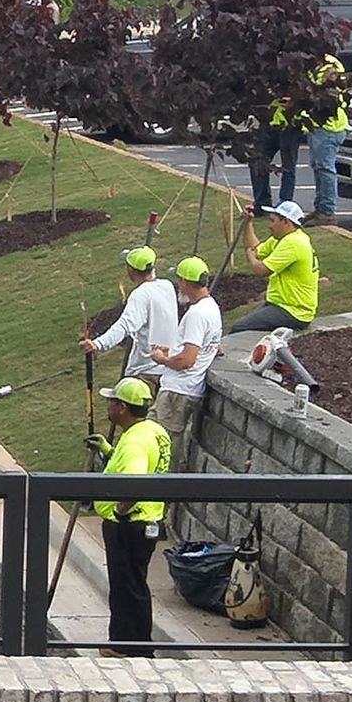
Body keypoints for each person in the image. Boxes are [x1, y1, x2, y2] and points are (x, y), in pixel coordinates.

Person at [86, 377, 172, 659]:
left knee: (126, 587)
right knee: (134, 583)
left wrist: (121, 511)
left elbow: (135, 482)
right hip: (148, 521)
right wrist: (107, 451)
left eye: (112, 401)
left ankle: (127, 646)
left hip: (130, 525)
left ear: (122, 407)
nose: (108, 405)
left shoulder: (134, 441)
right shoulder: (154, 431)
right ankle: (136, 643)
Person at [80, 246, 178, 386]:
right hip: (167, 367)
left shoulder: (141, 294)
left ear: (131, 270)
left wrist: (98, 344)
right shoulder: (166, 286)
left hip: (146, 371)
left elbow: (125, 325)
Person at [149, 256, 222, 443]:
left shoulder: (197, 314)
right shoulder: (211, 307)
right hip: (185, 390)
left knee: (160, 441)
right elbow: (204, 347)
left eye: (179, 280)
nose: (178, 285)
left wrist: (162, 359)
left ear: (185, 282)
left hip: (177, 391)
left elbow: (188, 360)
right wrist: (172, 351)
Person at [231, 200, 319, 333]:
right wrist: (248, 223)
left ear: (286, 222)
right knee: (244, 325)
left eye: (273, 221)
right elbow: (257, 248)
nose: (269, 226)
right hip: (280, 305)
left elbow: (261, 270)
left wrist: (250, 256)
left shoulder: (293, 243)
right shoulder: (284, 238)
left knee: (239, 328)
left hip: (293, 311)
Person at [305, 53, 352, 226]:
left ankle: (326, 211)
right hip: (318, 125)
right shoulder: (314, 64)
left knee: (325, 168)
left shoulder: (329, 64)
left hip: (329, 126)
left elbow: (327, 87)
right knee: (319, 167)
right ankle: (321, 208)